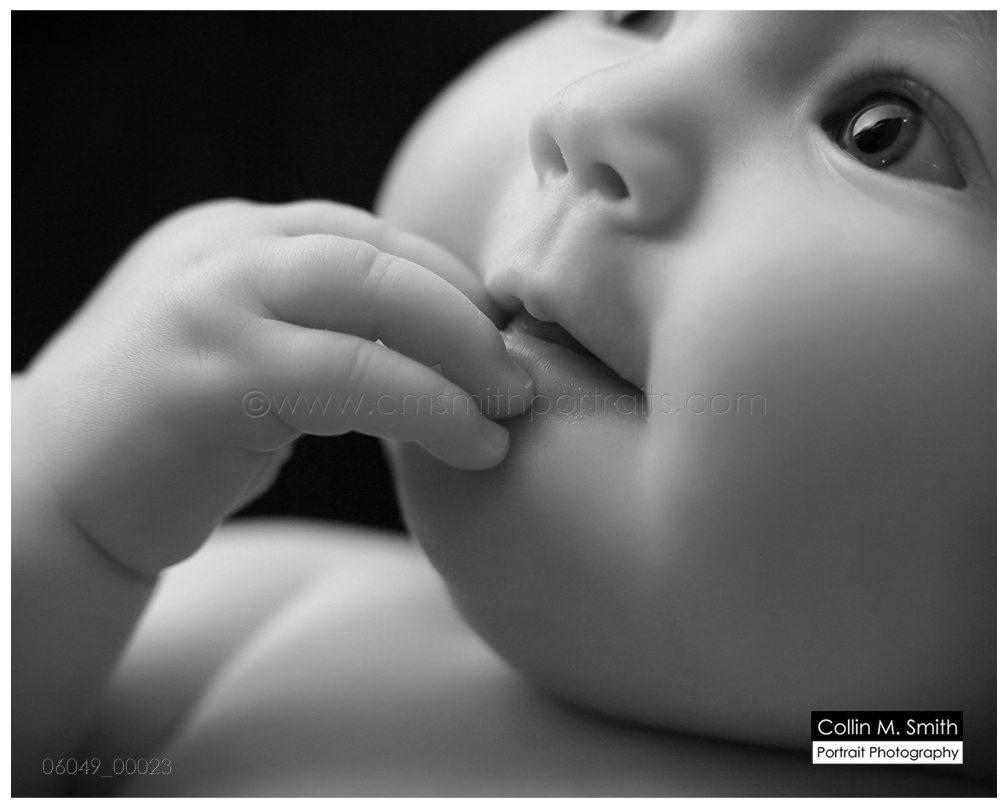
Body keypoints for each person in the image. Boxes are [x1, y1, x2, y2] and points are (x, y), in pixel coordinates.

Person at [12, 10, 995, 796]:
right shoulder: (269, 623)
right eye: (640, 16)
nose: (598, 110)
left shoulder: (900, 749)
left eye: (878, 131)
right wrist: (54, 501)